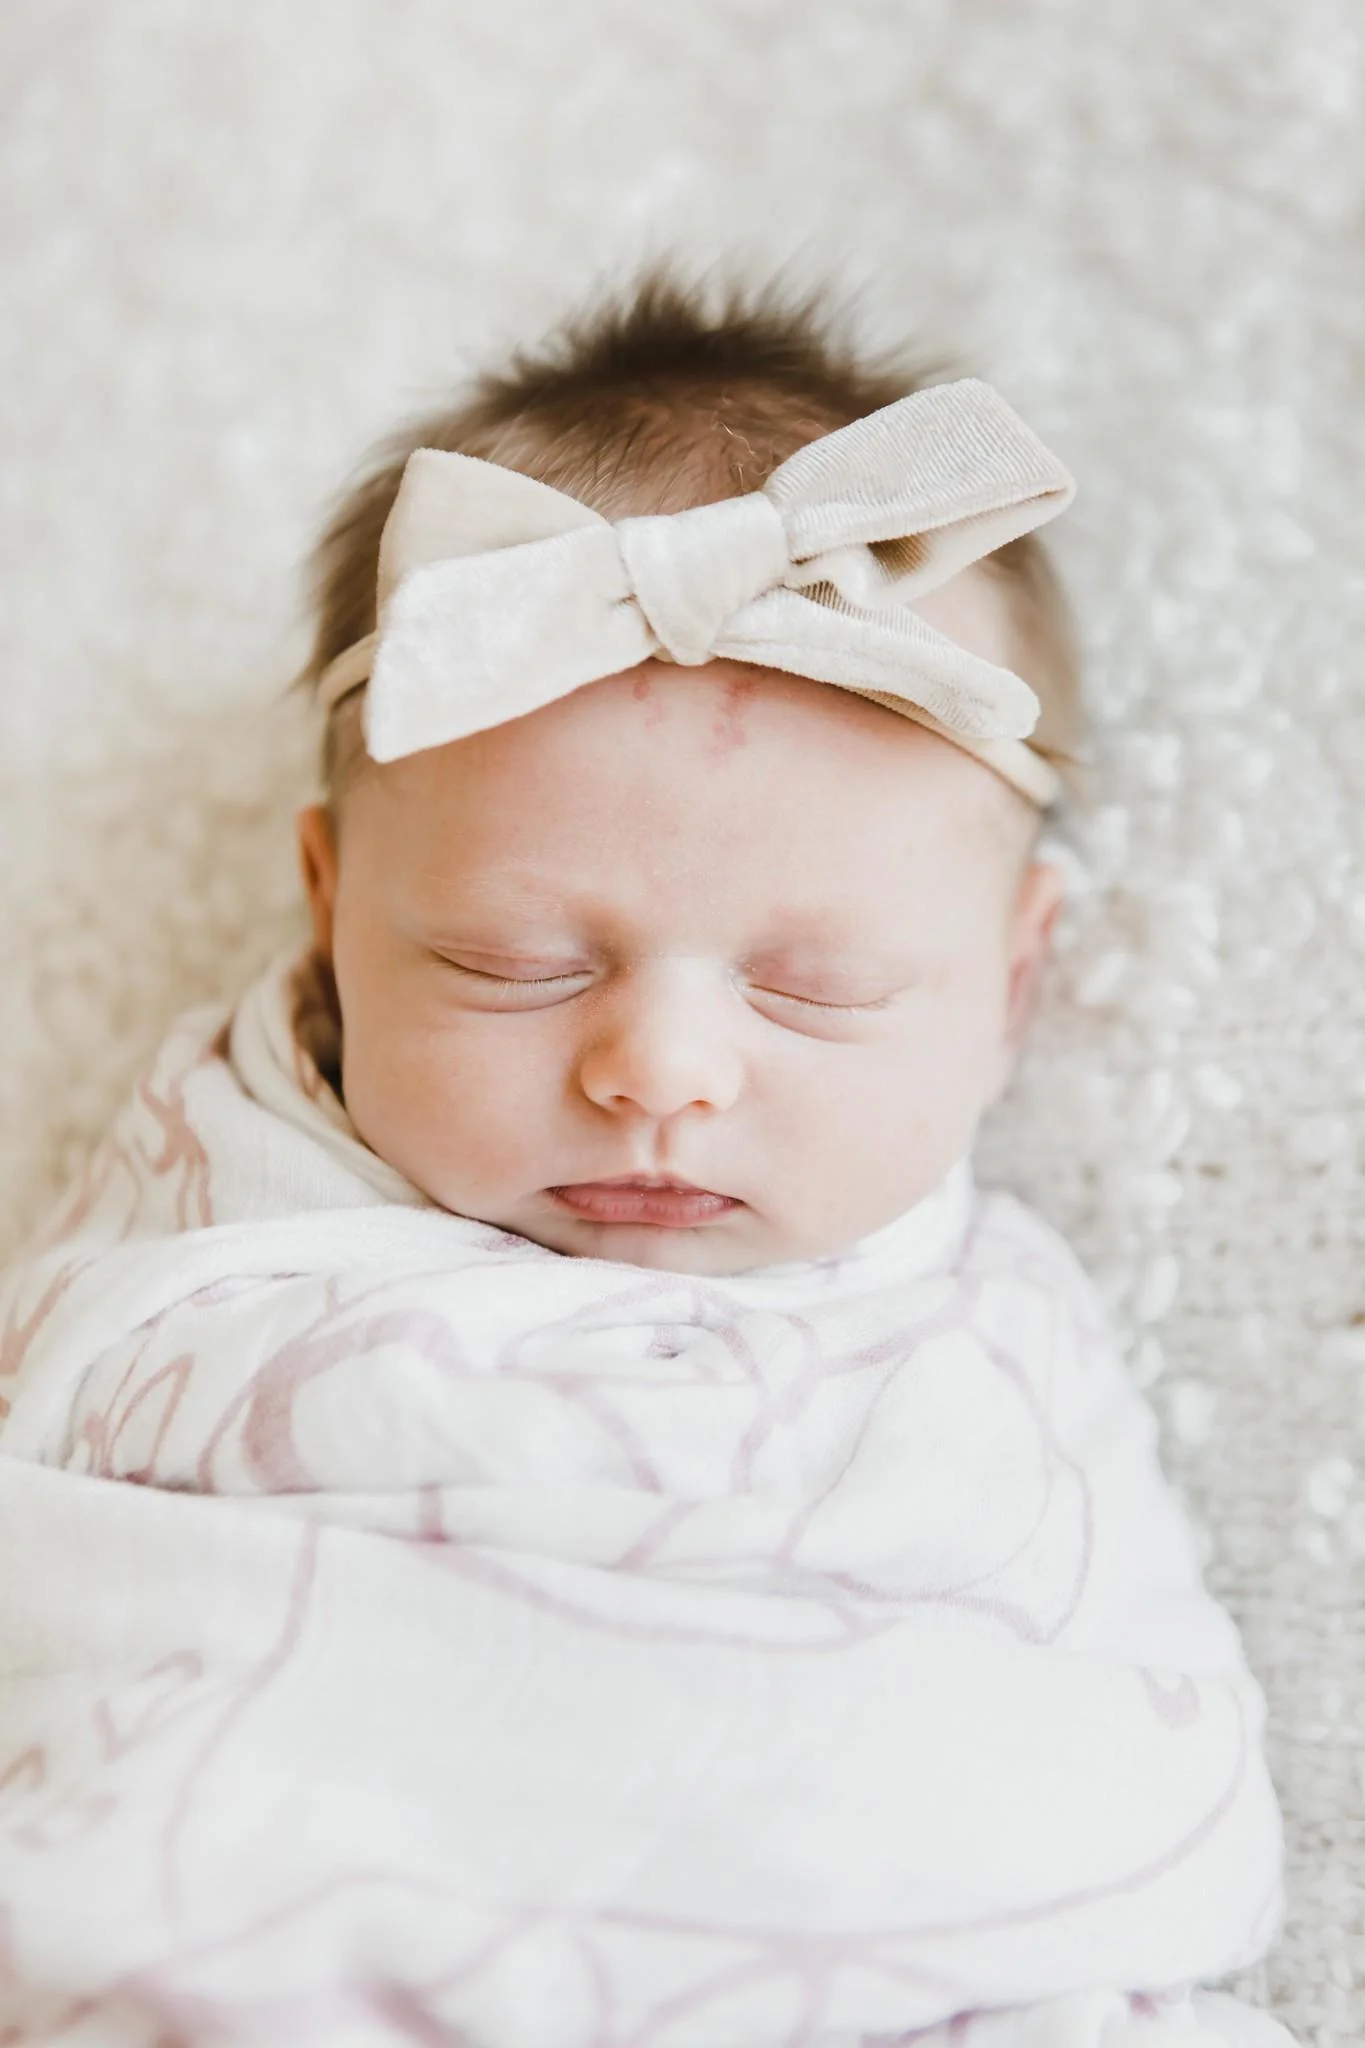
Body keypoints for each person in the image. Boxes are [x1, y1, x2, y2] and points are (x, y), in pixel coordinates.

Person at [0, 272, 1295, 2046]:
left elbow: (1115, 1757)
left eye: (817, 986)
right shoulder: (209, 1228)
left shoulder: (995, 1353)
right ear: (326, 918)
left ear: (1012, 981)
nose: (659, 1074)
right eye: (509, 965)